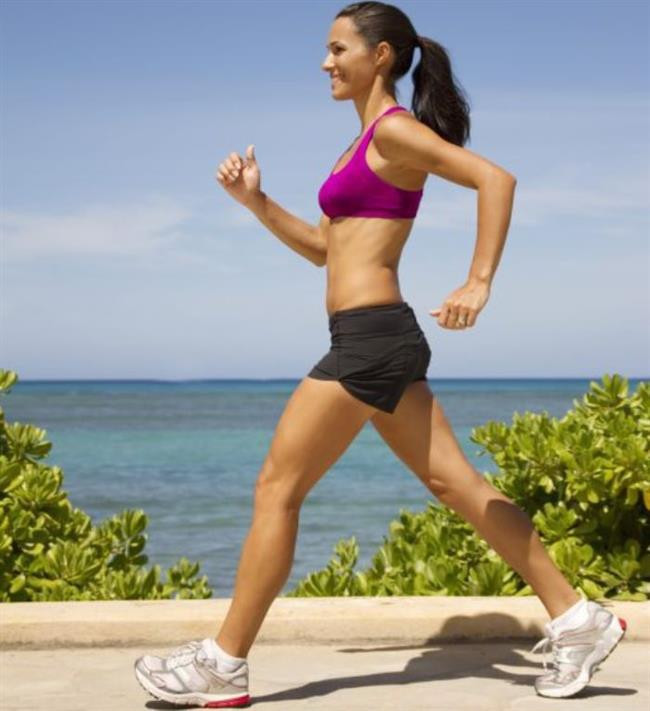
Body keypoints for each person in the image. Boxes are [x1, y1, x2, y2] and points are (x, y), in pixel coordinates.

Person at [133, 2, 626, 707]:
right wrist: (256, 202)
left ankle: (224, 663)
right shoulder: (362, 144)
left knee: (277, 488)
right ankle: (578, 619)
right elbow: (324, 250)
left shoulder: (395, 131)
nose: (326, 62)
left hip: (370, 341)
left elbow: (496, 180)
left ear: (381, 55)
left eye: (339, 49)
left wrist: (478, 281)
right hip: (373, 337)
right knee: (458, 485)